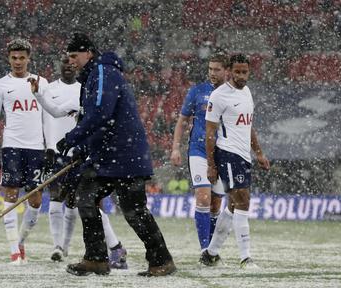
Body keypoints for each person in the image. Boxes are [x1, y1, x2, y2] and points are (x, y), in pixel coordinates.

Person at [55, 32, 175, 276]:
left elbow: (100, 113)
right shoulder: (92, 77)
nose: (71, 61)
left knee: (133, 210)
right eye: (68, 57)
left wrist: (72, 138)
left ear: (88, 53)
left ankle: (161, 261)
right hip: (108, 156)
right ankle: (96, 259)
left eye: (74, 55)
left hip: (124, 155)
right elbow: (94, 118)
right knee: (86, 196)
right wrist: (82, 149)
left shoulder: (102, 73)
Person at [33, 55, 128, 269]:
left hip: (89, 156)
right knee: (73, 201)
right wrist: (38, 95)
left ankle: (113, 250)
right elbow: (57, 111)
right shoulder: (79, 96)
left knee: (87, 202)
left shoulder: (95, 95)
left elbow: (101, 123)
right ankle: (98, 249)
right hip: (73, 156)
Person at [200, 53, 270, 269]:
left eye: (244, 72)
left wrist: (258, 152)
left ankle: (210, 254)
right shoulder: (219, 96)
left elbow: (248, 126)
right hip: (227, 153)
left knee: (232, 205)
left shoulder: (247, 92)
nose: (241, 76)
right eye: (237, 72)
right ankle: (245, 257)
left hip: (243, 155)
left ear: (249, 72)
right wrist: (211, 165)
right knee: (243, 200)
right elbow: (210, 133)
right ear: (229, 71)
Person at [0, 38, 49, 264]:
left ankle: (21, 240)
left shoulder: (41, 83)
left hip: (36, 147)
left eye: (22, 57)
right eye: (14, 58)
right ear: (8, 58)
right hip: (12, 145)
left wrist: (50, 146)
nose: (18, 62)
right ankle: (14, 251)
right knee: (11, 193)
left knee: (35, 200)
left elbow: (48, 117)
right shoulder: (0, 85)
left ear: (28, 58)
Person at [170, 52, 228, 256]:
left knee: (216, 203)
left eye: (217, 69)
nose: (212, 73)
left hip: (223, 153)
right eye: (210, 69)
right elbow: (182, 120)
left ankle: (212, 250)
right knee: (203, 197)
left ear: (226, 71)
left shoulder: (234, 94)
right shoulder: (198, 91)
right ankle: (204, 248)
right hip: (199, 150)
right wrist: (176, 147)